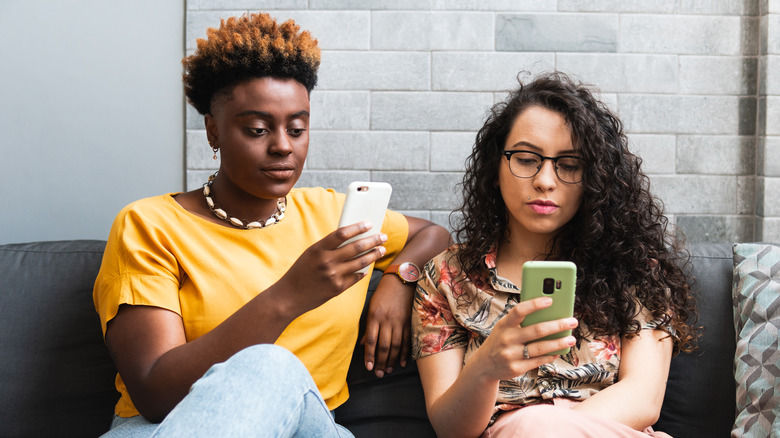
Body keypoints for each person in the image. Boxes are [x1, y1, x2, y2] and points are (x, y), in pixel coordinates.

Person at [93, 12, 451, 437]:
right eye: (258, 129)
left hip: (306, 428)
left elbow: (433, 234)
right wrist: (289, 297)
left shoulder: (331, 216)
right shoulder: (151, 225)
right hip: (165, 427)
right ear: (213, 131)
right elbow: (155, 393)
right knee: (270, 364)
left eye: (297, 128)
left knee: (280, 371)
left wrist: (398, 279)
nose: (283, 146)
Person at [411, 71, 697, 438]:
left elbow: (643, 398)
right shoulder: (447, 277)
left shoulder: (636, 268)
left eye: (569, 165)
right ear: (495, 169)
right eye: (527, 159)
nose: (546, 180)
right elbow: (450, 428)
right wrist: (486, 366)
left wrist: (549, 428)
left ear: (595, 179)